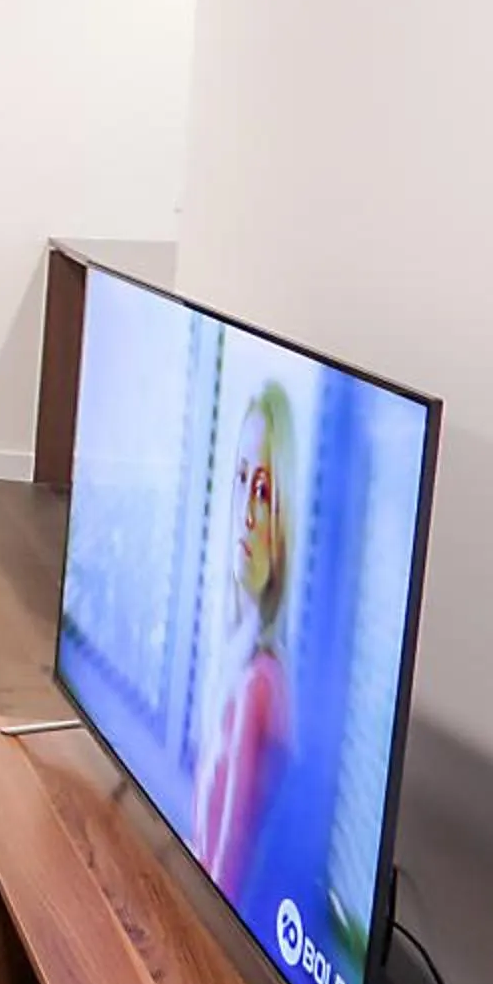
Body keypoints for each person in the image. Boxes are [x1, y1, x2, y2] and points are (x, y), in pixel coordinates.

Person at [197, 382, 293, 892]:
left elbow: (222, 880)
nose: (248, 516)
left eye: (264, 491)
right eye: (241, 481)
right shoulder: (237, 656)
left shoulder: (260, 682)